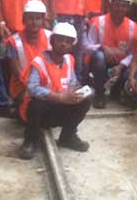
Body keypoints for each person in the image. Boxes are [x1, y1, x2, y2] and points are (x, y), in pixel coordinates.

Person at [17, 22, 93, 160]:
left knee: (86, 99)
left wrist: (78, 93)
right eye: (60, 40)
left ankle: (68, 136)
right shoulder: (39, 62)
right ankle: (30, 140)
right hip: (40, 113)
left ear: (72, 45)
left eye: (68, 41)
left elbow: (72, 83)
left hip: (60, 109)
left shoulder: (69, 60)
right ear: (52, 41)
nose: (64, 44)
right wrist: (59, 98)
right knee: (36, 104)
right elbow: (33, 88)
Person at [84, 0, 137, 108]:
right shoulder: (98, 22)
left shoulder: (133, 26)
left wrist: (121, 66)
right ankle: (99, 94)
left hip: (120, 66)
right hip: (101, 65)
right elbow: (87, 47)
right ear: (110, 5)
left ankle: (117, 89)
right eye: (117, 5)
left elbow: (133, 53)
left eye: (124, 6)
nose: (120, 9)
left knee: (131, 70)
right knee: (98, 57)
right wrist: (101, 47)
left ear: (128, 8)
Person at [5, 0, 51, 110]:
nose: (34, 22)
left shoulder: (50, 37)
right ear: (24, 20)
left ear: (43, 20)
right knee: (34, 106)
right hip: (22, 87)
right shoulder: (14, 41)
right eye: (30, 18)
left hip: (47, 84)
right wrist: (34, 88)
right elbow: (16, 72)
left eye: (38, 18)